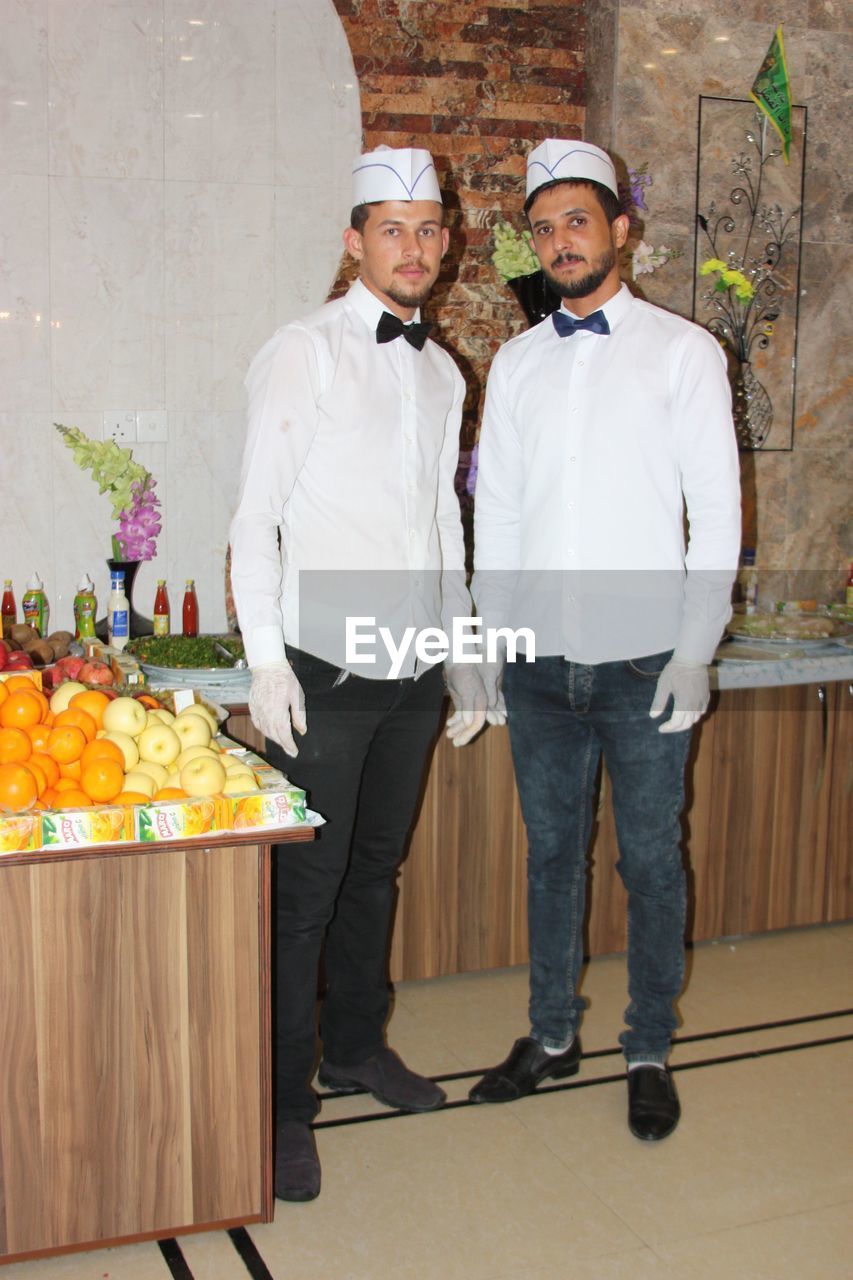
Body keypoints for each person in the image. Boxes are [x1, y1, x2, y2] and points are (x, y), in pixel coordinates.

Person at [470, 139, 741, 1139]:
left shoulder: (682, 352)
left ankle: (647, 1043)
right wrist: (482, 646)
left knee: (650, 860)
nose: (558, 241)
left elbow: (714, 515)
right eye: (542, 228)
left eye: (576, 220)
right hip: (538, 666)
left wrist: (692, 648)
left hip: (641, 665)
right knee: (549, 856)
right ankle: (548, 1033)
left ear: (621, 229)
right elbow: (494, 517)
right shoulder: (515, 362)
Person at [229, 145, 485, 1202]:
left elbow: (441, 519)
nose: (414, 247)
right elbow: (256, 513)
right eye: (392, 228)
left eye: (429, 229)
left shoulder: (441, 370)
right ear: (353, 240)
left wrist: (465, 653)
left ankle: (356, 1046)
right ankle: (285, 1102)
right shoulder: (302, 349)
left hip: (411, 664)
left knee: (376, 870)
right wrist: (262, 657)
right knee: (306, 892)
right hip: (322, 669)